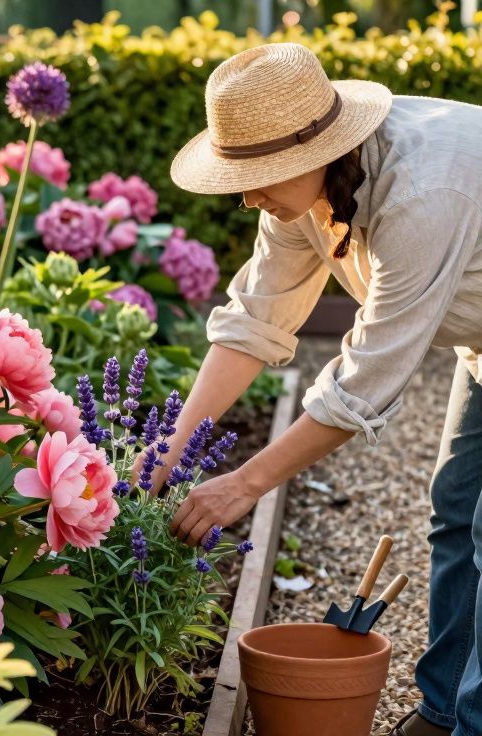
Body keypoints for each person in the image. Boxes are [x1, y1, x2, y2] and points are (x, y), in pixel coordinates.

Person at [164, 43, 482, 736]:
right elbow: (255, 321)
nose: (247, 194)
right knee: (456, 510)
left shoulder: (424, 192)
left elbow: (365, 382)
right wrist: (168, 454)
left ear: (317, 150)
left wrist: (244, 485)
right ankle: (443, 711)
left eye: (258, 174)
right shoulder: (304, 195)